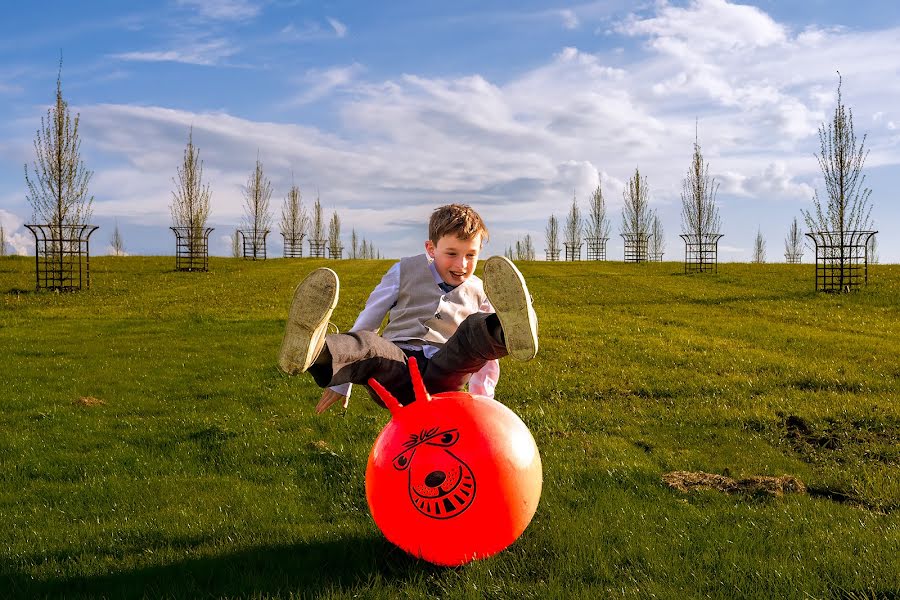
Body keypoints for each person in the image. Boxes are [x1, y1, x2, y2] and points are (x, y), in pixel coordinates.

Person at [278, 203, 538, 412]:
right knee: (369, 344)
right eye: (451, 253)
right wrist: (341, 385)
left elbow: (484, 357)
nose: (461, 264)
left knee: (474, 329)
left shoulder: (480, 288)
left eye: (471, 255)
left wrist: (485, 403)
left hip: (444, 373)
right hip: (397, 367)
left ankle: (509, 331)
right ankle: (315, 351)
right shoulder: (403, 271)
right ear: (431, 248)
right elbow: (368, 321)